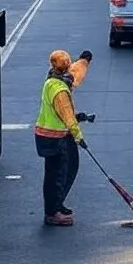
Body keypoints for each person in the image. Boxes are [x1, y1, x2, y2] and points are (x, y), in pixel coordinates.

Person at [34, 50, 88, 226]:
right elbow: (67, 116)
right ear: (65, 68)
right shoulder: (59, 91)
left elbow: (76, 72)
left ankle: (57, 205)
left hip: (50, 135)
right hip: (55, 138)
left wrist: (85, 60)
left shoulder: (52, 81)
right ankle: (52, 213)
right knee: (57, 175)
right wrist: (79, 137)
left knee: (62, 171)